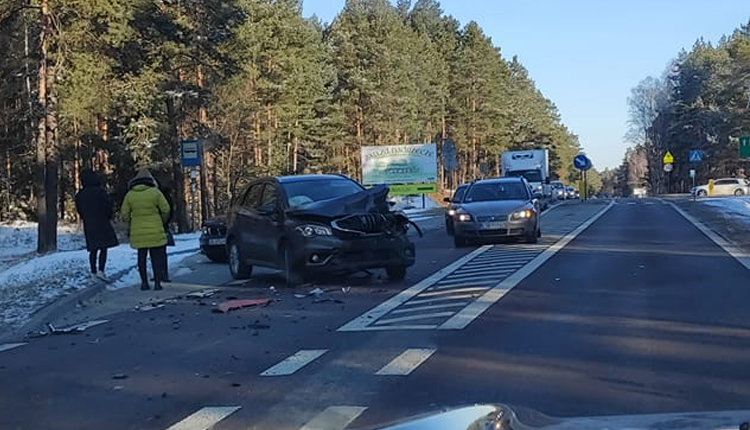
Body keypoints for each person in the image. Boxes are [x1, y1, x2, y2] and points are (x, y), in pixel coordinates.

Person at [121, 168, 170, 290]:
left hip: (138, 230)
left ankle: (144, 282)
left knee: (141, 256)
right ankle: (157, 283)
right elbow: (166, 209)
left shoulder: (130, 195)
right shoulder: (155, 192)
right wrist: (162, 220)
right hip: (155, 228)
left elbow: (124, 213)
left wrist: (131, 223)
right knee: (156, 257)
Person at [75, 168, 119, 281]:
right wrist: (108, 216)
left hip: (89, 223)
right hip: (102, 221)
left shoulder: (80, 195)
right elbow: (108, 206)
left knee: (93, 248)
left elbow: (79, 210)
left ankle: (93, 272)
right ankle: (101, 270)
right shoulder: (100, 192)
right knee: (103, 247)